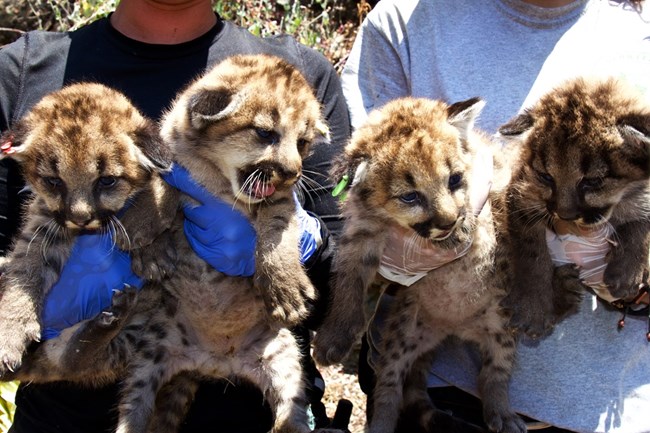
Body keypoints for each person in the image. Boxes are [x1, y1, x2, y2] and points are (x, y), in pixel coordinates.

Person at [0, 1, 351, 432]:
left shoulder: (301, 78)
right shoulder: (21, 72)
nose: (292, 164)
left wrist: (302, 247)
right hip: (65, 414)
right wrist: (24, 300)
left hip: (253, 404)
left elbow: (350, 288)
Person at [341, 0, 650, 432]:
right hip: (442, 396)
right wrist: (395, 250)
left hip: (611, 407)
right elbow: (351, 199)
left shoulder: (641, 36)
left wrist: (638, 286)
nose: (564, 209)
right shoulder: (404, 22)